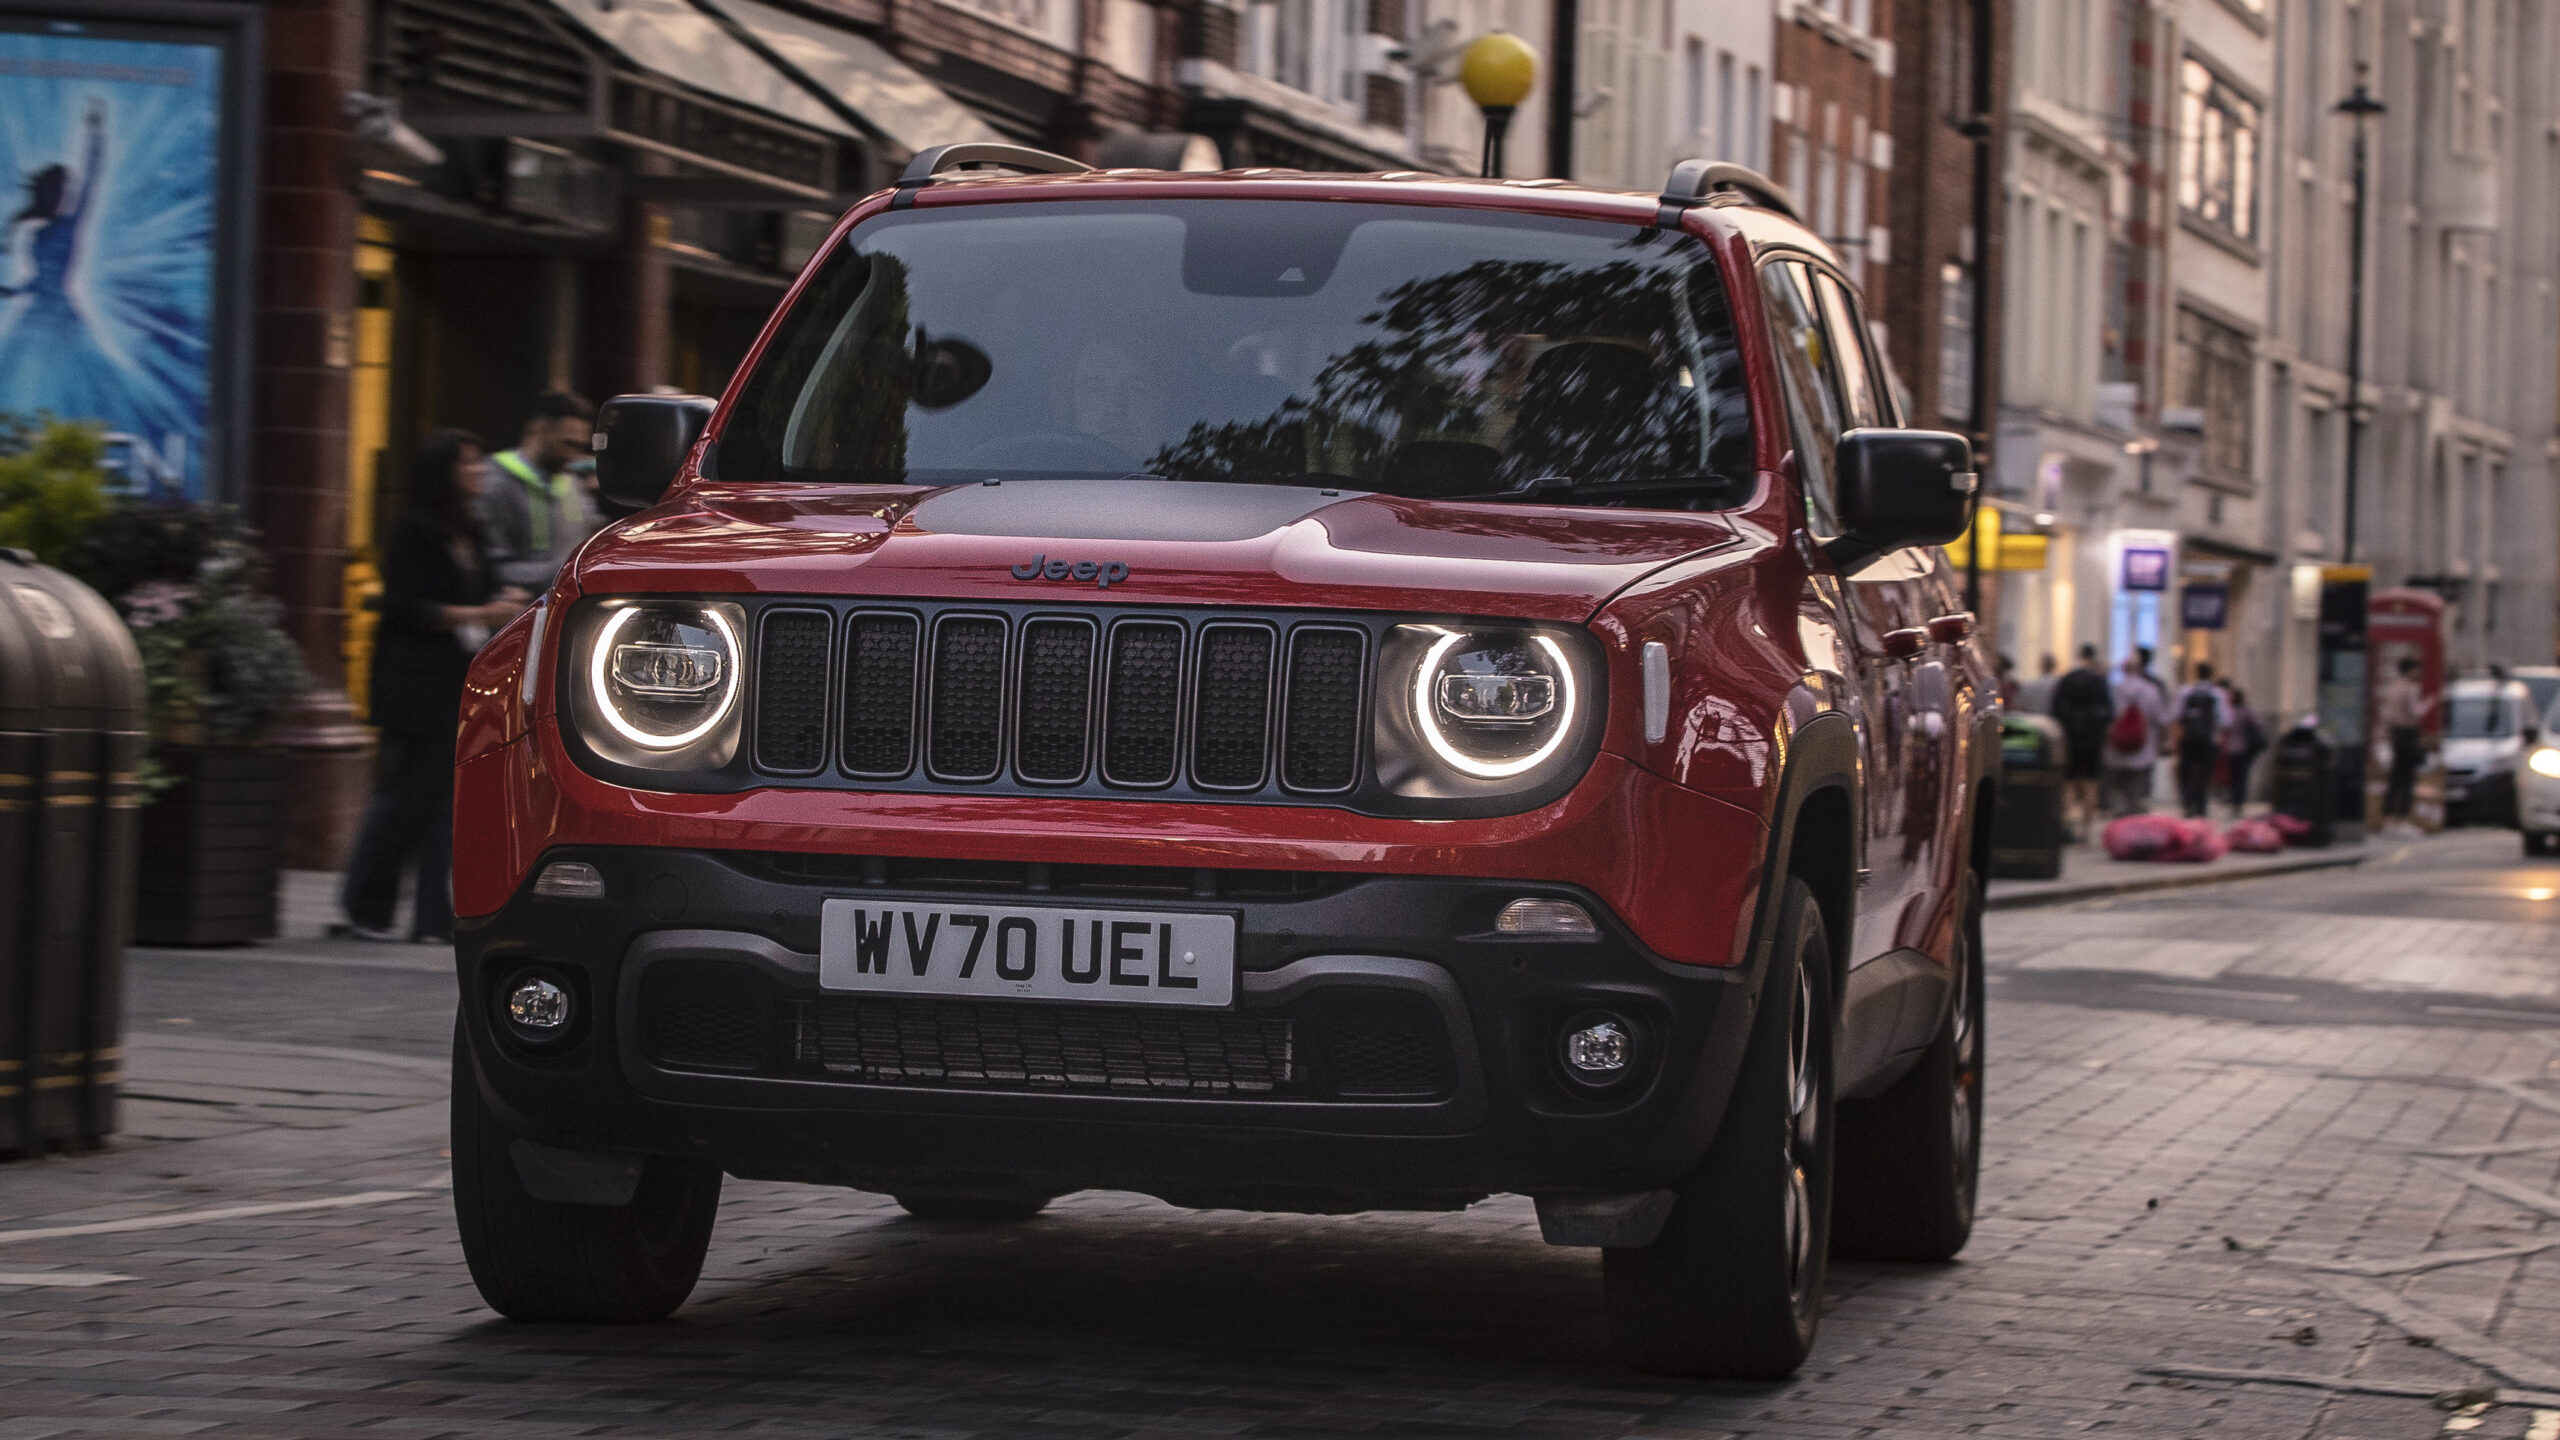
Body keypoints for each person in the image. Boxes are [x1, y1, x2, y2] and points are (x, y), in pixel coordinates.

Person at [338, 431, 530, 942]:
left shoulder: (472, 529)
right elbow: (407, 608)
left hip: (453, 685)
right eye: (468, 463)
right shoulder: (415, 532)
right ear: (444, 471)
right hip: (411, 684)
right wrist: (480, 611)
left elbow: (486, 591)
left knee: (444, 804)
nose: (480, 472)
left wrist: (505, 597)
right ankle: (366, 907)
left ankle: (432, 918)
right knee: (403, 800)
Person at [478, 390, 598, 590]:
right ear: (539, 429)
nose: (576, 454)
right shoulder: (493, 483)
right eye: (568, 443)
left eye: (581, 446)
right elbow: (492, 568)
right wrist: (567, 572)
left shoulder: (572, 482)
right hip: (518, 611)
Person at [2050, 644, 2115, 838]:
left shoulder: (2067, 679)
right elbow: (2109, 712)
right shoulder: (2099, 681)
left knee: (2068, 782)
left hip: (2070, 737)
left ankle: (2069, 823)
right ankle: (2085, 829)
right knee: (2091, 783)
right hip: (2093, 739)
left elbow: (2055, 710)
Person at [2106, 647, 2168, 818]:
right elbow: (2161, 718)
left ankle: (2120, 813)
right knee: (2137, 785)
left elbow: (2108, 717)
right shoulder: (2151, 690)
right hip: (2143, 745)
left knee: (2118, 783)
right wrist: (2163, 741)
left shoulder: (2114, 690)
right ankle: (2133, 816)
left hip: (2117, 745)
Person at [2172, 661, 2232, 818]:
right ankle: (2201, 805)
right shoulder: (2218, 694)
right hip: (2209, 740)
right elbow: (2227, 720)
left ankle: (2187, 802)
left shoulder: (2186, 691)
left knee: (2186, 772)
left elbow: (2174, 714)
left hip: (2189, 739)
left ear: (2196, 674)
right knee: (2205, 774)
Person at [2379, 656, 2431, 825]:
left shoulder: (2394, 687)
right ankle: (2403, 817)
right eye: (2416, 669)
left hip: (2396, 734)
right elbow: (2416, 712)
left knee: (2396, 776)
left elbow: (2386, 714)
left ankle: (2387, 816)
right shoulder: (2410, 688)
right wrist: (2429, 703)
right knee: (2408, 777)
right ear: (2410, 670)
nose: (2418, 673)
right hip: (2408, 733)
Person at [2224, 687, 2268, 810]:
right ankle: (2238, 802)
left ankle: (2235, 801)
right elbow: (2258, 725)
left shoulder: (2230, 712)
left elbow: (2224, 725)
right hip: (2244, 749)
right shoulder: (2247, 711)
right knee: (2242, 777)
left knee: (2234, 777)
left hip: (2231, 749)